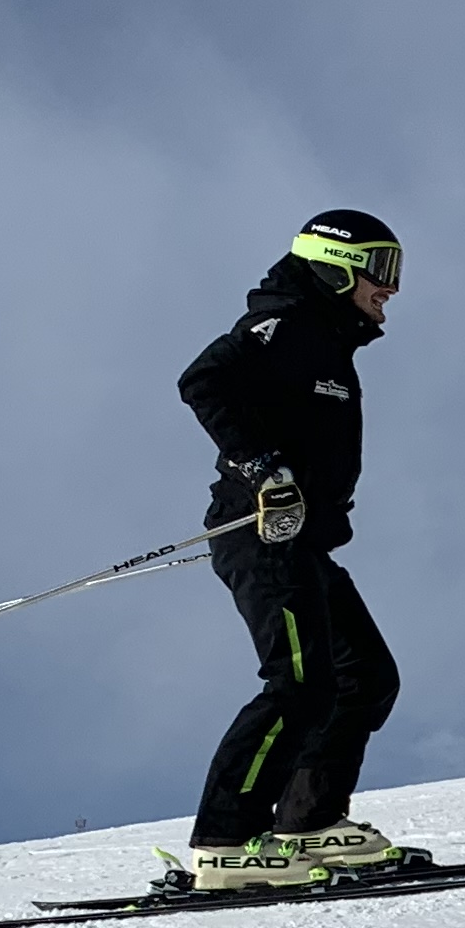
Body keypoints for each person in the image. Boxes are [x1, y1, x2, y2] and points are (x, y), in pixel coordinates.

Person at [173, 208, 409, 891]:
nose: (392, 287)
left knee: (366, 676)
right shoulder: (285, 324)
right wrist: (263, 471)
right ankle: (224, 841)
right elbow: (204, 380)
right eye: (381, 268)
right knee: (300, 684)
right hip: (260, 532)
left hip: (304, 545)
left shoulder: (328, 343)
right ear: (336, 266)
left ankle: (308, 822)